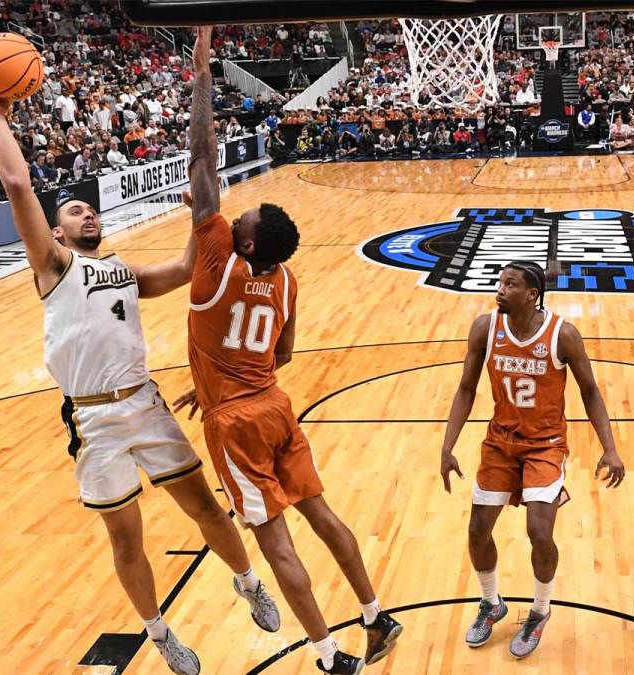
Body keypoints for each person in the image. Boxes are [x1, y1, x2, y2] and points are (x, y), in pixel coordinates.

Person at [0, 69, 281, 675]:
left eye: (90, 208)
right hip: (95, 420)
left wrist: (201, 221)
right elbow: (15, 182)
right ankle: (159, 633)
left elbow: (190, 269)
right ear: (56, 232)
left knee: (208, 510)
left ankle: (247, 583)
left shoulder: (121, 270)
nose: (86, 212)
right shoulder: (52, 265)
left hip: (145, 401)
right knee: (127, 538)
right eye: (74, 211)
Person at [173, 27, 402, 675]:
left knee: (275, 542)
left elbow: (201, 152)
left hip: (236, 421)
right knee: (322, 513)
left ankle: (331, 660)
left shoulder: (217, 252)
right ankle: (374, 613)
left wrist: (201, 72)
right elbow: (283, 353)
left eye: (242, 220)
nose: (239, 214)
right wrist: (225, 372)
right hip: (274, 403)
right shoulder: (286, 277)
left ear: (242, 244)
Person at [440, 260, 626, 660]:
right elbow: (466, 388)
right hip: (500, 441)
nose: (500, 289)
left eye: (510, 284)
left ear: (531, 294)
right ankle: (492, 602)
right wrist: (447, 445)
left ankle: (540, 610)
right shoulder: (484, 328)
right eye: (500, 281)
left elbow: (591, 391)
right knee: (476, 530)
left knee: (539, 533)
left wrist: (610, 448)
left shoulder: (563, 334)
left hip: (545, 443)